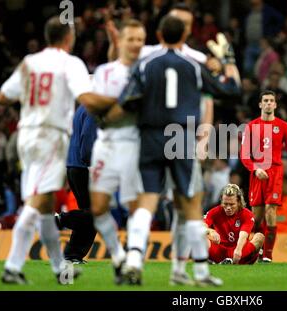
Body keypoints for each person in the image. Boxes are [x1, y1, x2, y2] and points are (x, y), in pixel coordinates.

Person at [103, 15, 241, 286]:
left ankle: (133, 258)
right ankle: (200, 271)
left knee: (148, 201)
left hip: (151, 136)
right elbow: (231, 90)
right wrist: (228, 62)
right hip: (181, 137)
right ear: (185, 35)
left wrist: (107, 120)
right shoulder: (194, 65)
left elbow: (128, 100)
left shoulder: (145, 63)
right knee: (190, 204)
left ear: (159, 34)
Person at [0, 16, 115, 284]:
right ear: (68, 38)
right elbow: (86, 99)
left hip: (25, 136)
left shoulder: (30, 62)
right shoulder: (70, 64)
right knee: (38, 205)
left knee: (44, 203)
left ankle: (59, 264)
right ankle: (14, 265)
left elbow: (3, 96)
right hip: (49, 138)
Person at [84, 19, 146, 285]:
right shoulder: (105, 71)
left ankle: (134, 259)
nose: (135, 44)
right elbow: (89, 104)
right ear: (120, 41)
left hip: (134, 143)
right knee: (98, 207)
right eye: (131, 39)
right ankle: (118, 256)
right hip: (105, 144)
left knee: (134, 206)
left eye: (140, 40)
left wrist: (107, 107)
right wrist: (122, 103)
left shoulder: (146, 71)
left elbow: (143, 108)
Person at [240, 90, 287, 263]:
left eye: (271, 101)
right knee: (256, 219)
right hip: (257, 174)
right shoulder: (251, 126)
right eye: (265, 100)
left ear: (275, 105)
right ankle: (256, 250)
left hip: (275, 172)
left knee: (271, 211)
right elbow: (244, 155)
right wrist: (254, 168)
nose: (268, 103)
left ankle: (268, 254)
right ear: (260, 104)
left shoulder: (282, 126)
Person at [61, 104, 97, 264]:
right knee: (96, 213)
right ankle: (60, 219)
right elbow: (88, 136)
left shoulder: (82, 106)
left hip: (74, 165)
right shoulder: (94, 107)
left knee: (89, 213)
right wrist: (91, 162)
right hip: (84, 166)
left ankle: (72, 255)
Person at [205, 184, 264, 265]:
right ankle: (212, 261)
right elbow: (201, 226)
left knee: (259, 237)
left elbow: (243, 235)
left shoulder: (247, 214)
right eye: (225, 204)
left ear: (239, 202)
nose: (228, 207)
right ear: (221, 201)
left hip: (238, 251)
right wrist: (211, 231)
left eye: (232, 204)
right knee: (202, 238)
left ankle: (243, 262)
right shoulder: (214, 212)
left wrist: (238, 250)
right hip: (220, 250)